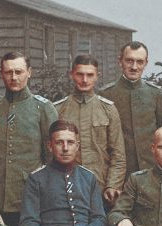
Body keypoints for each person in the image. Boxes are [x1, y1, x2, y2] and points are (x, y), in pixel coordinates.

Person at [0, 51, 58, 226]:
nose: (14, 77)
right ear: (1, 74)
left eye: (19, 72)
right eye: (8, 72)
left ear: (29, 72)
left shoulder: (43, 108)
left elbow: (51, 158)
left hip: (29, 195)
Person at [54, 55, 126, 207]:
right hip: (65, 187)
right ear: (72, 74)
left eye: (90, 75)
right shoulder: (58, 109)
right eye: (80, 74)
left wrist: (112, 185)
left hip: (100, 189)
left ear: (97, 77)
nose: (85, 80)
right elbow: (50, 153)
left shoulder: (108, 109)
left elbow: (118, 155)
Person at [100, 41, 162, 176]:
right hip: (119, 172)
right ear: (120, 62)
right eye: (129, 61)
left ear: (146, 63)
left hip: (150, 170)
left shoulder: (155, 93)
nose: (134, 67)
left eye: (140, 62)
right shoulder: (106, 94)